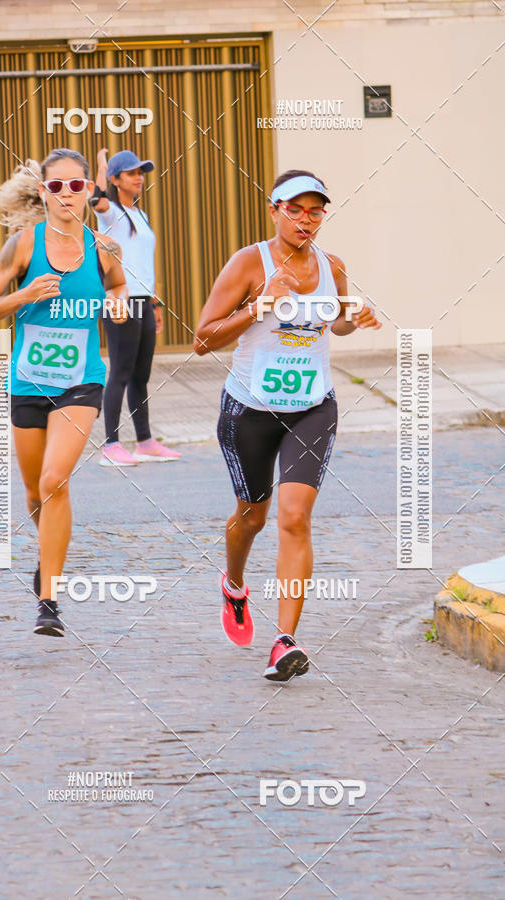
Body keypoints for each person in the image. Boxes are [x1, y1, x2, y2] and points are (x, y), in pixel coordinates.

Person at [193, 169, 382, 681]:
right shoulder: (247, 263)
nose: (305, 218)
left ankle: (284, 641)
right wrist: (259, 306)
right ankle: (233, 584)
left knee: (294, 517)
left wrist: (354, 316)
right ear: (274, 210)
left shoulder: (332, 265)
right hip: (250, 409)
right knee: (251, 517)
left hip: (311, 406)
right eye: (293, 209)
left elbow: (336, 320)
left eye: (315, 210)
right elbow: (202, 339)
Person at [0, 148, 128, 637]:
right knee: (33, 490)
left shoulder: (103, 250)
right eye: (57, 186)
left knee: (55, 480)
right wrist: (24, 295)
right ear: (44, 192)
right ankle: (47, 559)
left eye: (77, 185)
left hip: (82, 380)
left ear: (90, 190)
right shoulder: (22, 246)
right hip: (27, 381)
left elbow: (119, 287)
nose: (67, 194)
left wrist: (118, 305)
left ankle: (49, 597)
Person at [91, 147, 181, 466]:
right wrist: (103, 165)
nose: (138, 178)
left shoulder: (140, 215)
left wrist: (156, 303)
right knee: (120, 371)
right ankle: (111, 445)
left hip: (143, 301)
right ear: (116, 179)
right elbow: (95, 196)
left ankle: (144, 441)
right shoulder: (110, 213)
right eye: (131, 173)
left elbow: (146, 263)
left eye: (140, 173)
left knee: (140, 375)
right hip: (119, 300)